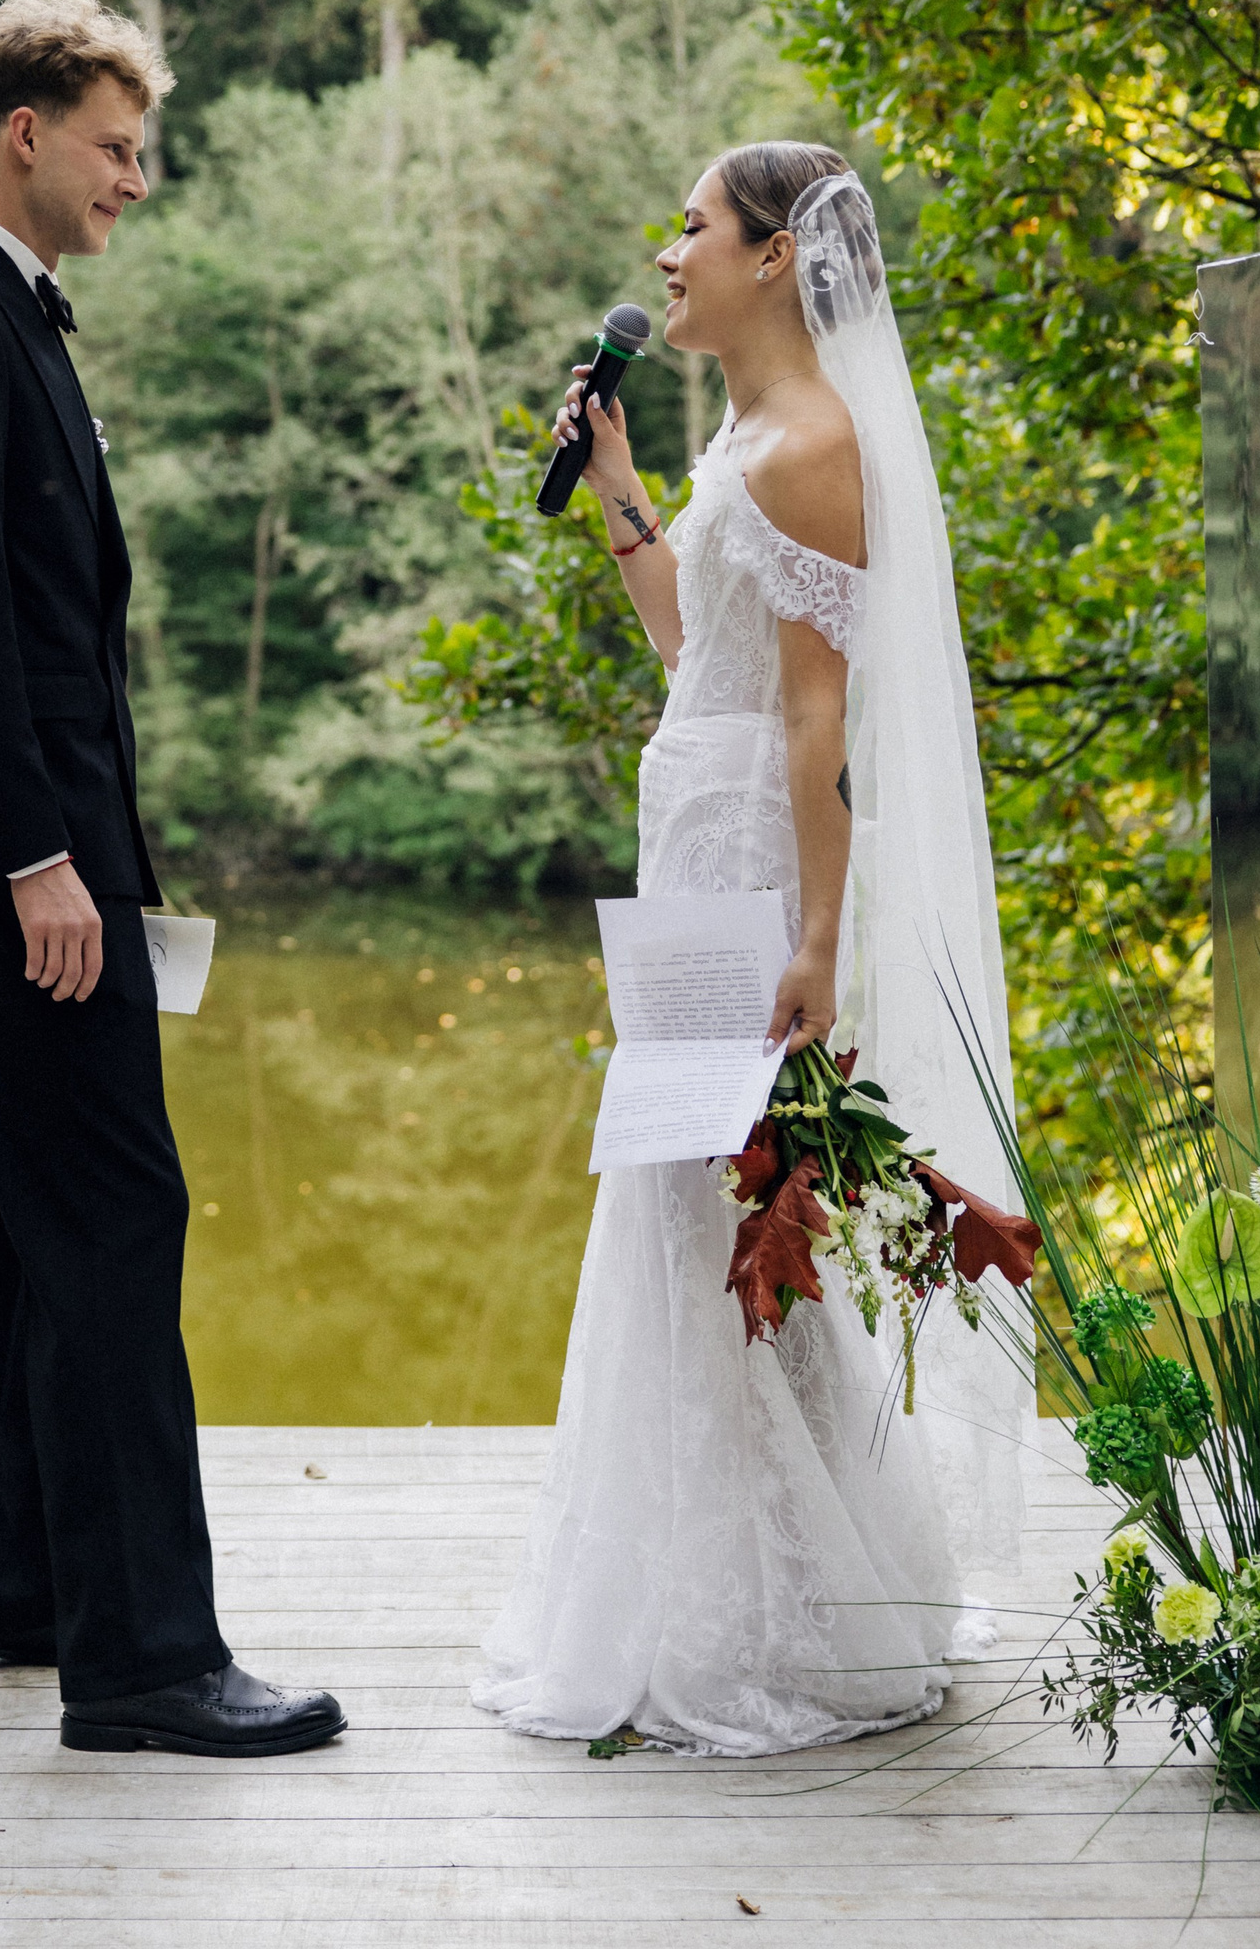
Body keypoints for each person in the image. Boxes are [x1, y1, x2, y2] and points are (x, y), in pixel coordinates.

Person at [0, 0, 345, 1760]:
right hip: (22, 853)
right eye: (118, 145)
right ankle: (143, 1656)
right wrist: (37, 855)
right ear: (23, 132)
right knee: (118, 1210)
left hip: (43, 836)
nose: (138, 176)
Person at [473, 143, 1028, 1754]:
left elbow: (812, 717)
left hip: (751, 877)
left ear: (776, 255)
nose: (669, 254)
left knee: (710, 1204)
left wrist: (821, 938)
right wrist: (619, 482)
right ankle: (737, 1588)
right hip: (695, 845)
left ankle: (787, 1611)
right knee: (696, 1207)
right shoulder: (743, 437)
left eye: (695, 226)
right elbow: (691, 648)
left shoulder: (816, 443)